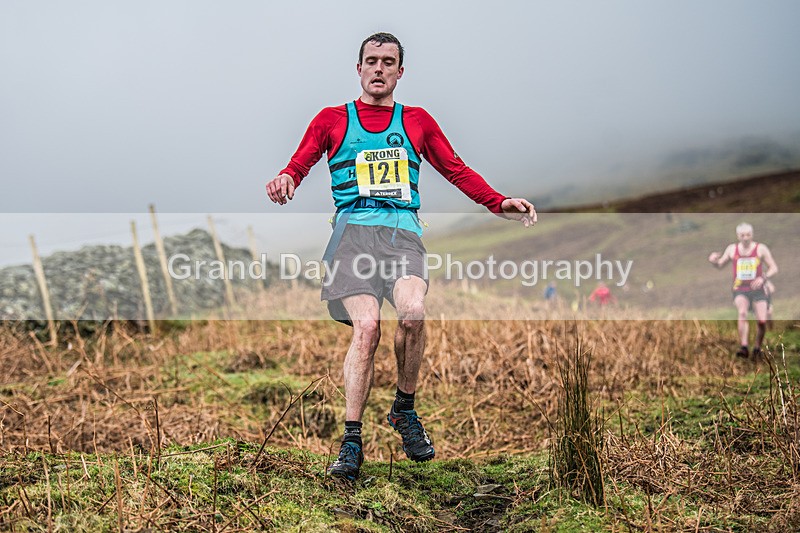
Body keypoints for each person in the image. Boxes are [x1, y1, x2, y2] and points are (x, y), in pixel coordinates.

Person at [265, 33, 536, 480]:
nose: (378, 69)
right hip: (352, 238)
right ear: (358, 68)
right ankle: (351, 442)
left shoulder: (418, 121)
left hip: (402, 236)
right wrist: (286, 178)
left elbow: (456, 169)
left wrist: (498, 202)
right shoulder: (331, 119)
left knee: (413, 313)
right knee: (367, 328)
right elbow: (299, 163)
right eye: (371, 61)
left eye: (388, 62)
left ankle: (403, 411)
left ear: (399, 72)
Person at [708, 222, 778, 358]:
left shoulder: (760, 249)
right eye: (742, 235)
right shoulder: (731, 249)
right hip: (740, 289)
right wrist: (713, 261)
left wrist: (763, 278)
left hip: (758, 289)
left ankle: (757, 348)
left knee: (762, 321)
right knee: (742, 312)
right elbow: (720, 264)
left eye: (748, 235)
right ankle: (744, 347)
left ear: (752, 235)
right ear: (737, 236)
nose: (745, 238)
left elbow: (774, 268)